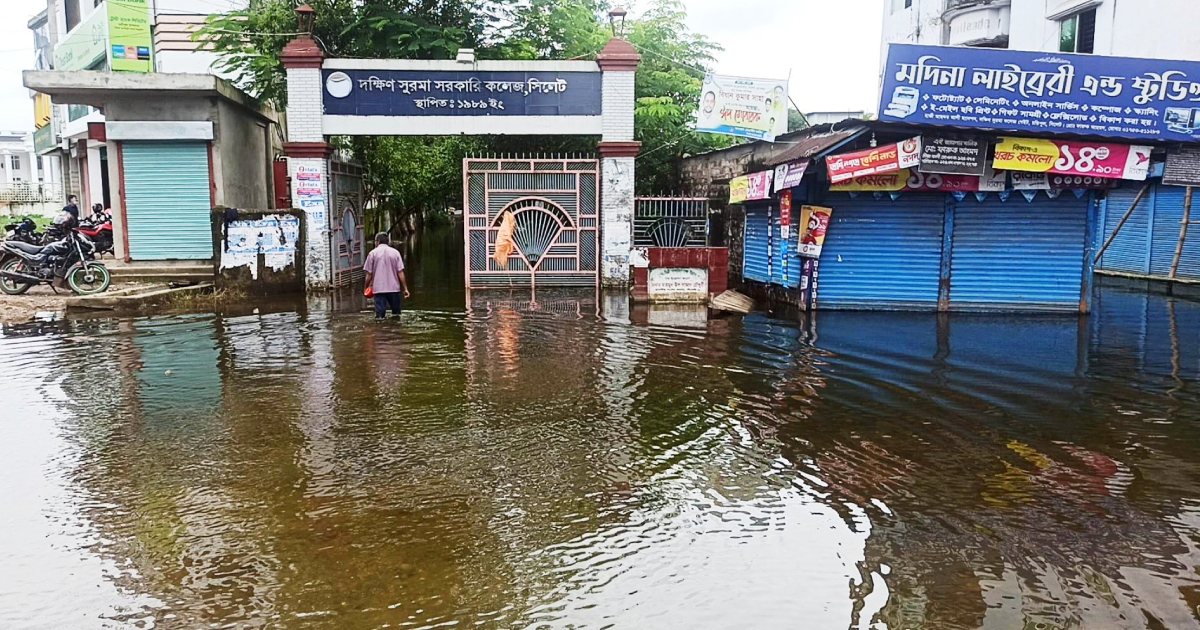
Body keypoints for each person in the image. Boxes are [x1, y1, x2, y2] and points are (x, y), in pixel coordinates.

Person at [363, 232, 410, 319]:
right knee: (397, 314)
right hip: (394, 289)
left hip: (379, 289)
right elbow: (400, 272)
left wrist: (366, 287)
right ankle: (396, 330)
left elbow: (369, 274)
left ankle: (381, 330)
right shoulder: (395, 253)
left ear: (378, 241)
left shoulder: (372, 254)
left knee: (380, 317)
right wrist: (405, 289)